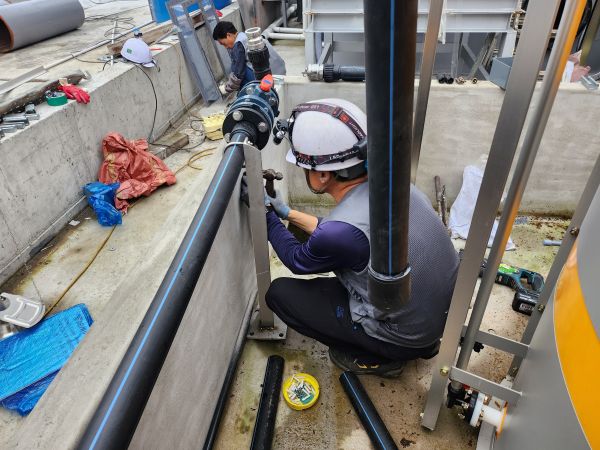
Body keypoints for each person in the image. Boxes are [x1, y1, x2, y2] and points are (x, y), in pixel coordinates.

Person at [262, 98, 459, 377]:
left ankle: (378, 356)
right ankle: (405, 343)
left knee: (279, 294)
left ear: (322, 176)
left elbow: (297, 259)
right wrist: (288, 213)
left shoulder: (342, 230)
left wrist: (267, 216)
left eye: (306, 168)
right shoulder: (398, 186)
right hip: (432, 320)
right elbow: (342, 234)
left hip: (403, 337)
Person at [212, 21, 286, 94]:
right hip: (280, 72)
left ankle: (249, 95)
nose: (226, 47)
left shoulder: (238, 44)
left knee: (239, 73)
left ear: (228, 35)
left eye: (223, 43)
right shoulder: (244, 36)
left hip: (269, 79)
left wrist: (227, 88)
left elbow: (238, 73)